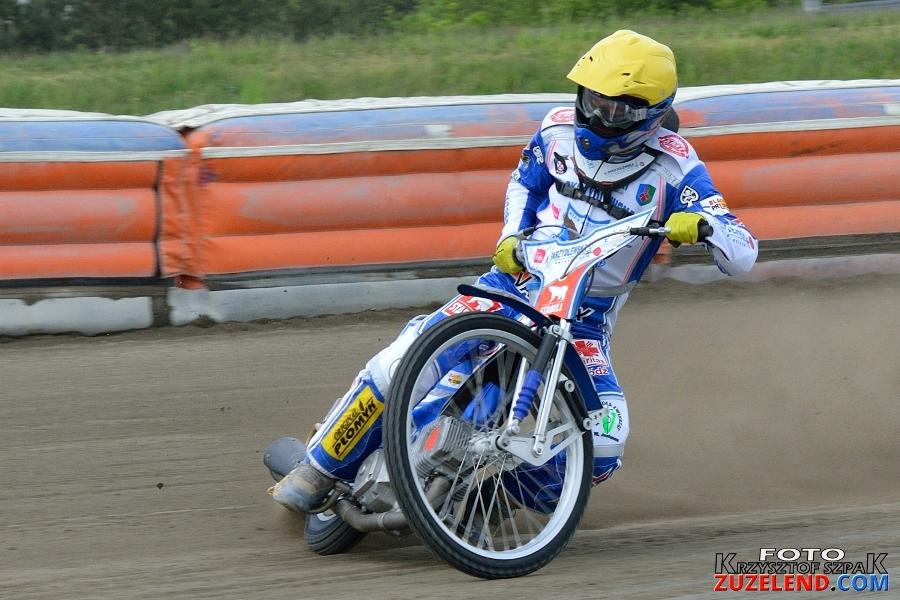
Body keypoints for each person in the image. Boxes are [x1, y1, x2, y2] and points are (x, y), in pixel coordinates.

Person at [271, 29, 758, 513]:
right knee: (401, 360)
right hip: (513, 285)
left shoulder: (678, 168)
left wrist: (706, 225)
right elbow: (524, 183)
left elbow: (744, 253)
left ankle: (489, 501)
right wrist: (510, 236)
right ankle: (319, 467)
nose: (598, 116)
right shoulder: (555, 130)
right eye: (593, 101)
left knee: (606, 442)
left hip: (583, 321)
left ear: (650, 113)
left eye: (616, 110)